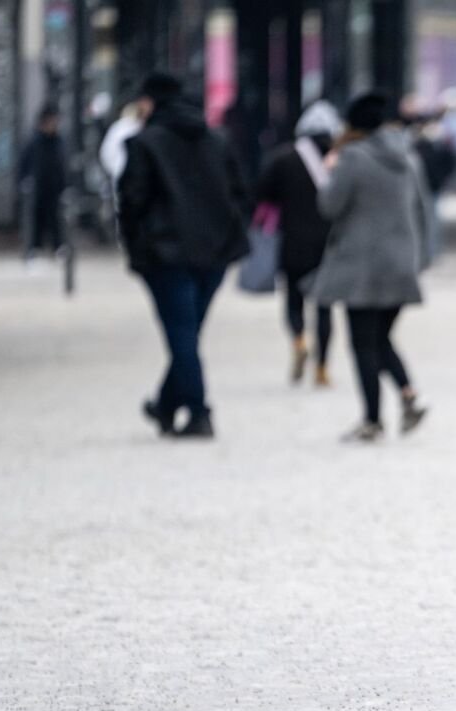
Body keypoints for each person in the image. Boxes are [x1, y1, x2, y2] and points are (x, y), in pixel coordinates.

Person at [118, 73, 250, 438]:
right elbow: (240, 192)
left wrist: (136, 247)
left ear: (150, 102)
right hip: (215, 253)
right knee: (189, 333)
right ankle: (165, 404)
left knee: (182, 335)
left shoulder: (144, 144)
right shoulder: (217, 141)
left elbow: (132, 201)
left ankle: (198, 412)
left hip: (166, 255)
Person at [312, 92, 433, 442]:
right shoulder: (408, 157)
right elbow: (422, 210)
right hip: (400, 264)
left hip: (361, 267)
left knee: (363, 343)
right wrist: (421, 257)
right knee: (380, 337)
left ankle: (372, 421)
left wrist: (329, 171)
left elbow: (329, 206)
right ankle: (409, 396)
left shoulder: (351, 158)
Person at [257, 100, 342, 387]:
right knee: (324, 307)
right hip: (328, 245)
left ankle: (298, 340)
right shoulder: (340, 160)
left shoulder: (284, 158)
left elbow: (263, 192)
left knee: (294, 300)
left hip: (292, 242)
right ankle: (322, 367)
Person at [19, 104, 69, 263]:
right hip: (37, 187)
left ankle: (58, 247)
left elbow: (62, 165)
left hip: (54, 187)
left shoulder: (58, 141)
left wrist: (65, 185)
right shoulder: (34, 141)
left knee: (56, 219)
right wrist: (24, 181)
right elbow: (24, 163)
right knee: (35, 219)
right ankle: (33, 249)